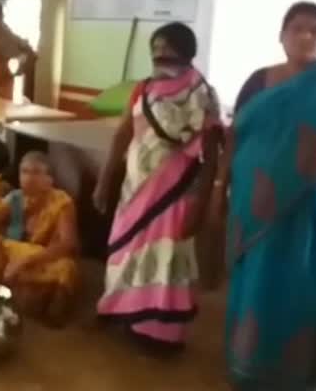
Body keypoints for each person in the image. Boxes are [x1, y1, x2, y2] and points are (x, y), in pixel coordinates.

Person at [206, 2, 316, 390]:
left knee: (303, 288)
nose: (306, 36)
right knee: (256, 283)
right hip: (253, 210)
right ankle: (248, 365)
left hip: (314, 215)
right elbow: (235, 136)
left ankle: (299, 375)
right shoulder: (258, 81)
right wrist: (219, 187)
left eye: (315, 30)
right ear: (281, 35)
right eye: (298, 28)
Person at [92, 22, 221, 351]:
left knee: (165, 260)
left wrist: (203, 202)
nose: (161, 55)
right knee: (127, 253)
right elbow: (123, 133)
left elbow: (210, 153)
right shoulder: (143, 89)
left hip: (176, 194)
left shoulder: (202, 95)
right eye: (156, 49)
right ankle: (124, 312)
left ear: (188, 53)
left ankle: (160, 333)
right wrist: (105, 181)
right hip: (135, 190)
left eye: (169, 49)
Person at [0, 151, 79, 325]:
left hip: (44, 257)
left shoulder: (62, 202)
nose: (29, 178)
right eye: (24, 172)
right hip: (17, 253)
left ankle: (40, 307)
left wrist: (24, 261)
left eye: (36, 173)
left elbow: (68, 244)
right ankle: (2, 296)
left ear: (49, 179)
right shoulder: (16, 198)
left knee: (66, 268)